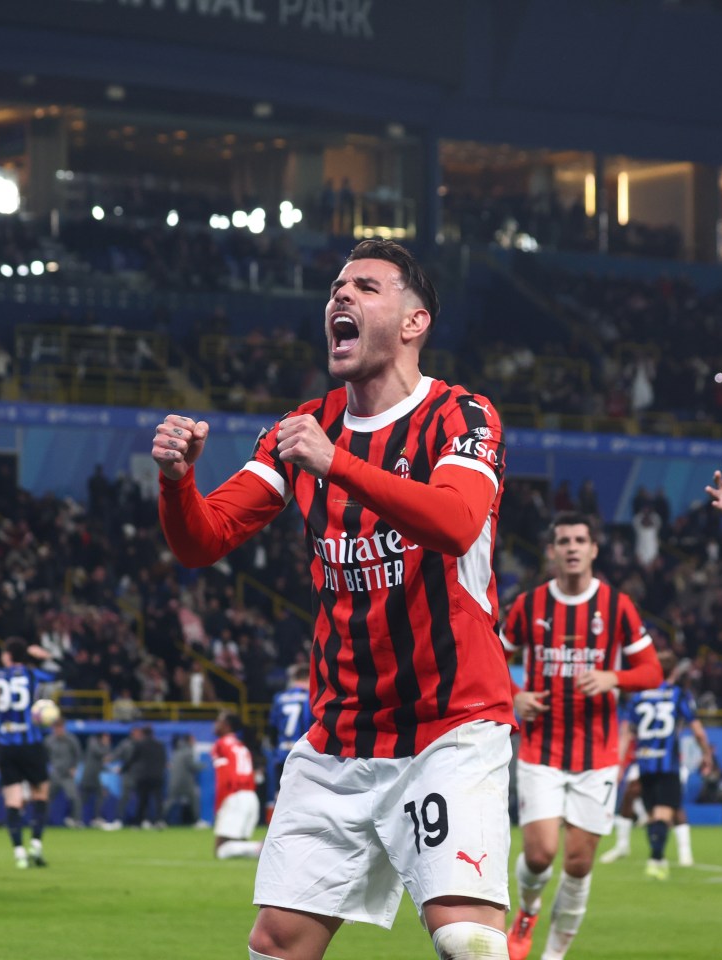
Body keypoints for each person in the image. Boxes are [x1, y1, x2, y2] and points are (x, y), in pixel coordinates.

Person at [153, 238, 515, 960]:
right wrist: (177, 482)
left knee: (467, 940)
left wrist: (336, 462)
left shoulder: (462, 416)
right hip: (339, 737)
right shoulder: (303, 425)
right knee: (278, 943)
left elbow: (454, 522)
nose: (340, 297)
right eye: (337, 288)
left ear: (414, 322)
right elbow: (204, 541)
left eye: (367, 288)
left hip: (448, 728)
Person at [500, 511, 662, 960]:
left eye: (579, 540)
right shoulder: (530, 605)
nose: (571, 547)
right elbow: (492, 656)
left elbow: (652, 671)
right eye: (563, 541)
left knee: (578, 862)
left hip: (598, 755)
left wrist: (614, 677)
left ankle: (553, 956)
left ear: (593, 549)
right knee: (539, 854)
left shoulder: (617, 606)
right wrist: (514, 695)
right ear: (551, 551)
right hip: (540, 748)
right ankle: (528, 912)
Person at [617, 649, 713, 879]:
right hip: (668, 764)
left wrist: (620, 765)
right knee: (664, 814)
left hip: (645, 763)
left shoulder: (638, 697)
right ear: (674, 672)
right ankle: (657, 859)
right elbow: (697, 731)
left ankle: (656, 859)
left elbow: (627, 733)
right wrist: (707, 755)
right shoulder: (679, 695)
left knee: (653, 814)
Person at [0, 637, 56, 868]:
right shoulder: (32, 674)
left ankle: (19, 853)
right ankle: (36, 846)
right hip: (30, 745)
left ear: (8, 655)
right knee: (41, 795)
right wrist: (46, 656)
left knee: (13, 800)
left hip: (5, 745)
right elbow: (65, 672)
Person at [264, 661, 312, 822]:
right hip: (305, 751)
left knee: (281, 792)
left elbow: (272, 728)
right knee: (307, 792)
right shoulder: (311, 697)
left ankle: (280, 828)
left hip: (282, 752)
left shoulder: (280, 698)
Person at [211, 711, 263, 859]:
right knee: (238, 846)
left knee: (220, 850)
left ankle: (263, 847)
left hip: (235, 796)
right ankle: (259, 848)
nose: (215, 724)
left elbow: (224, 778)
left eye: (218, 721)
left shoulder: (221, 745)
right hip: (251, 796)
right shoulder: (241, 745)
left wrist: (219, 805)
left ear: (226, 726)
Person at [126, 724, 167, 829]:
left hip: (143, 776)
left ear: (143, 733)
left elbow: (132, 759)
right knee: (158, 800)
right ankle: (159, 820)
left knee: (142, 801)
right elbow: (164, 760)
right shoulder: (160, 745)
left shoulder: (140, 744)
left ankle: (138, 823)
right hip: (157, 776)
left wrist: (123, 769)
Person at [46, 716, 84, 827]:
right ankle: (42, 821)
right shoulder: (49, 740)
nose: (58, 730)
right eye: (56, 728)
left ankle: (76, 820)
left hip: (67, 774)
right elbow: (43, 756)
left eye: (60, 727)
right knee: (45, 798)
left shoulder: (71, 739)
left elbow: (78, 754)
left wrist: (74, 767)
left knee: (74, 797)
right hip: (54, 774)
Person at [165, 733, 203, 826]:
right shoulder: (188, 751)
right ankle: (197, 821)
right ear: (189, 740)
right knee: (194, 799)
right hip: (185, 782)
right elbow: (191, 766)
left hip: (174, 781)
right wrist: (204, 766)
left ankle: (158, 820)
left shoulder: (177, 750)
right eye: (193, 740)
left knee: (170, 801)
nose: (194, 742)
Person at [79, 731, 111, 827]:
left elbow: (100, 763)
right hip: (89, 776)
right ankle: (78, 818)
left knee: (97, 796)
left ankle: (95, 818)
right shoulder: (93, 743)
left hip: (94, 776)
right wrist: (107, 746)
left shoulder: (97, 745)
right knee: (83, 798)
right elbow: (101, 753)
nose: (107, 740)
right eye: (106, 738)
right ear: (101, 737)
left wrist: (110, 769)